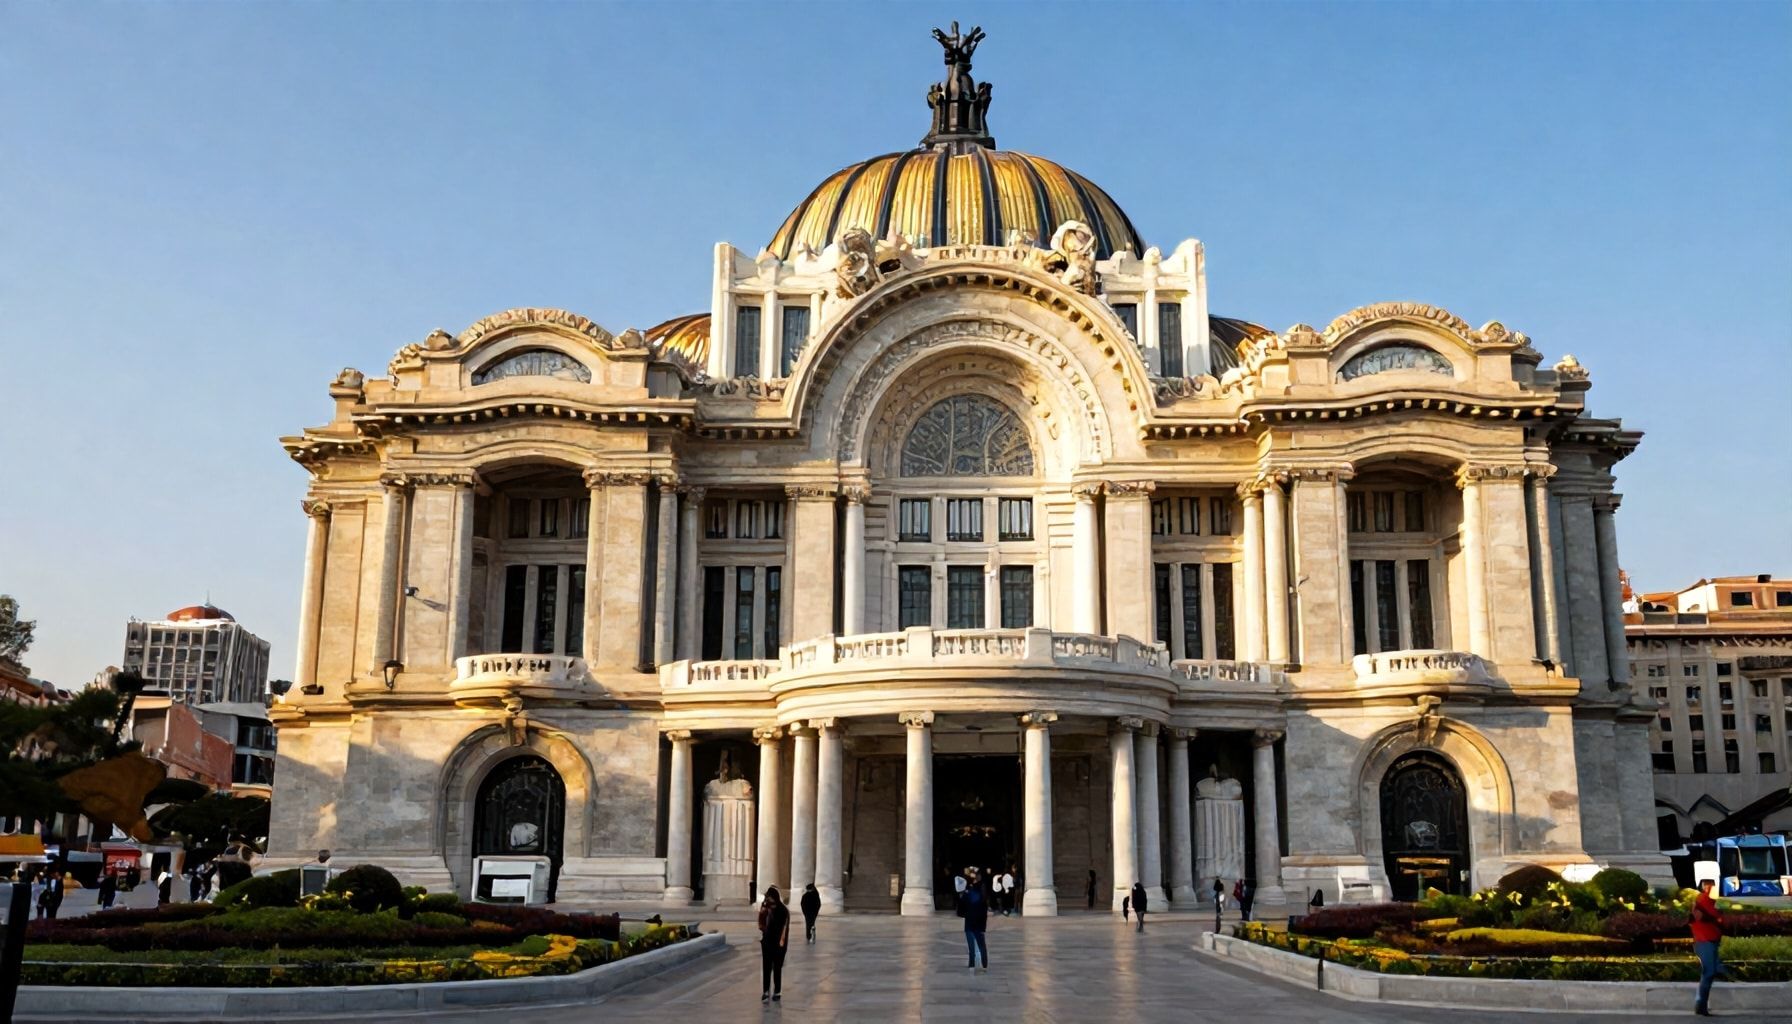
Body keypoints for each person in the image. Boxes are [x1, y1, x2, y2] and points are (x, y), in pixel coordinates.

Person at [1691, 878, 1733, 1016]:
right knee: (1709, 972)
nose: (1710, 888)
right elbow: (1701, 917)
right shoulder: (1701, 901)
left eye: (1712, 886)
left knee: (1710, 972)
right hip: (1705, 941)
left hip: (1711, 941)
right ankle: (1700, 1005)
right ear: (1703, 887)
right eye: (1707, 886)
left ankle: (1701, 1004)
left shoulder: (1710, 903)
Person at [757, 886, 789, 1003]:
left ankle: (777, 991)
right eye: (766, 897)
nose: (767, 900)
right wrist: (764, 911)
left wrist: (782, 942)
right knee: (766, 968)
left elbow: (784, 928)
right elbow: (760, 924)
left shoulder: (782, 910)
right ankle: (765, 992)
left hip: (778, 944)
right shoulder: (765, 908)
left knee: (777, 969)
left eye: (769, 897)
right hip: (767, 943)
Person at [957, 866, 989, 973]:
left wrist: (961, 896)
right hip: (978, 923)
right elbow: (984, 914)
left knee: (972, 947)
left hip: (970, 923)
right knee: (981, 945)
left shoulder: (968, 893)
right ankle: (984, 965)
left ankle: (972, 965)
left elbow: (961, 910)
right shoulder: (982, 899)